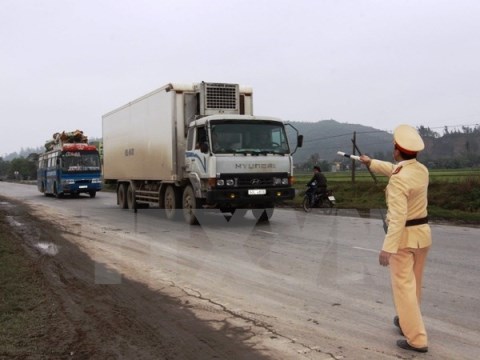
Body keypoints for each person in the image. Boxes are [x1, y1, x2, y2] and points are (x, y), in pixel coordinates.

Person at [359, 124, 431, 353]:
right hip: (422, 236)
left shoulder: (399, 179)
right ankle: (407, 322)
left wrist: (387, 248)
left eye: (394, 147)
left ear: (398, 150)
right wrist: (370, 162)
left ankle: (417, 339)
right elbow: (394, 169)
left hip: (404, 239)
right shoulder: (420, 170)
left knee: (403, 288)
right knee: (414, 285)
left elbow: (398, 217)